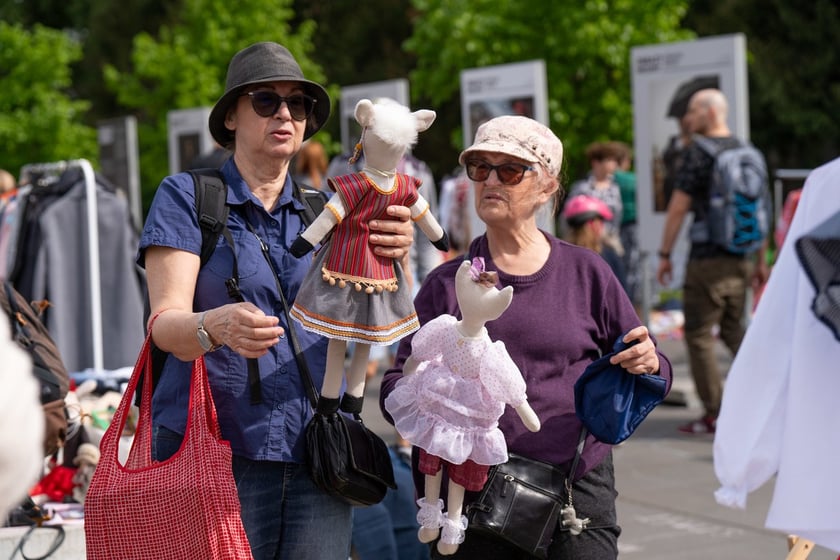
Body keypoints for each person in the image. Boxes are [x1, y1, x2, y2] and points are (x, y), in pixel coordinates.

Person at [137, 41, 415, 560]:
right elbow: (164, 325)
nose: (285, 114)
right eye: (266, 100)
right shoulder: (188, 197)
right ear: (231, 118)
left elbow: (373, 314)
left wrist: (395, 257)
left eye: (298, 104)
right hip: (216, 452)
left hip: (318, 453)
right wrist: (215, 325)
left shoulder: (326, 208)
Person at [380, 115, 672, 559]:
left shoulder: (586, 272)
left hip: (576, 487)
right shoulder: (447, 284)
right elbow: (395, 384)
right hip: (472, 496)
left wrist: (649, 362)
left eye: (510, 170)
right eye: (480, 168)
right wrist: (434, 395)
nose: (490, 180)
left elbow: (650, 367)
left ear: (547, 186)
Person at [656, 88, 763, 435]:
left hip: (707, 260)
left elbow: (678, 207)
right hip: (742, 257)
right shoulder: (747, 151)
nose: (687, 118)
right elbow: (760, 209)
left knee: (699, 335)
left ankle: (715, 413)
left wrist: (665, 254)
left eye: (693, 111)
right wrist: (760, 259)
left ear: (711, 112)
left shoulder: (699, 153)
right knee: (734, 329)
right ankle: (768, 397)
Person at [567, 141, 623, 256]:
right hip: (586, 242)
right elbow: (570, 216)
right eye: (609, 160)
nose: (614, 164)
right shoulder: (581, 187)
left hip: (611, 242)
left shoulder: (615, 187)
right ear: (596, 163)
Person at [563, 194, 627, 294]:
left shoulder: (561, 256)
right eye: (600, 222)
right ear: (593, 225)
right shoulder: (608, 257)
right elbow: (622, 294)